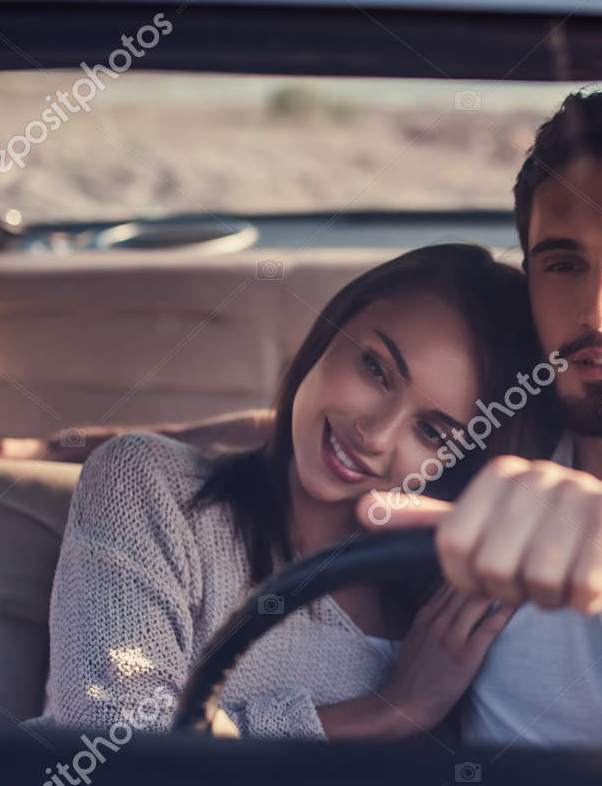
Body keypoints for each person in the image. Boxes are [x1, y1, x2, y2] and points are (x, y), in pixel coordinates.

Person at [0, 89, 602, 757]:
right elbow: (327, 428)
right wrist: (61, 445)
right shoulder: (488, 462)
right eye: (562, 262)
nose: (598, 308)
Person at [38, 244, 556, 738]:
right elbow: (114, 743)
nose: (373, 434)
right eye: (374, 369)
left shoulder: (450, 623)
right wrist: (388, 713)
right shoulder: (149, 483)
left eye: (433, 432)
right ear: (329, 331)